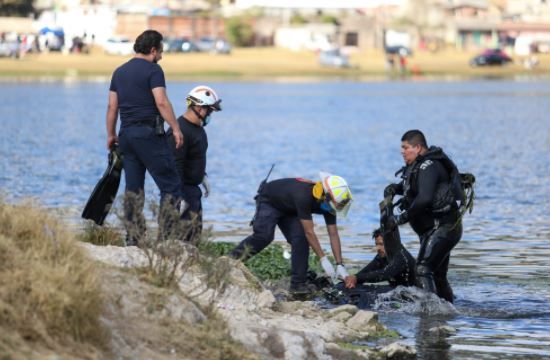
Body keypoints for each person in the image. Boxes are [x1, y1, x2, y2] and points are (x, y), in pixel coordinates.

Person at [106, 29, 184, 246]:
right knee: (171, 185)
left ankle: (133, 238)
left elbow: (112, 107)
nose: (161, 56)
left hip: (126, 136)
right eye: (161, 51)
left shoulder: (119, 71)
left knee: (133, 190)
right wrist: (176, 128)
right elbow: (161, 102)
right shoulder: (154, 70)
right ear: (152, 50)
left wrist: (111, 134)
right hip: (148, 134)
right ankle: (167, 240)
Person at [229, 173, 353, 295]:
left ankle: (297, 285)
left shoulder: (331, 206)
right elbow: (310, 232)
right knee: (264, 236)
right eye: (337, 205)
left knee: (300, 240)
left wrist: (339, 264)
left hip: (291, 208)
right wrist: (323, 259)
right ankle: (229, 261)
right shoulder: (304, 196)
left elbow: (333, 233)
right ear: (325, 196)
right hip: (269, 201)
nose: (337, 208)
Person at [383, 129, 464, 302]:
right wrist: (394, 189)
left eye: (406, 148)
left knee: (422, 270)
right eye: (402, 148)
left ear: (418, 147)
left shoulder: (429, 166)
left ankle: (430, 314)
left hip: (443, 228)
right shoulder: (419, 166)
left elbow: (424, 198)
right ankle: (448, 313)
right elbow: (414, 188)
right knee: (438, 275)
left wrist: (400, 218)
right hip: (438, 229)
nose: (402, 152)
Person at [167, 85, 222, 243]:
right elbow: (174, 166)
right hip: (181, 193)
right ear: (199, 107)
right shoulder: (179, 131)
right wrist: (179, 197)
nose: (210, 115)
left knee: (193, 240)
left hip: (193, 192)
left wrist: (202, 176)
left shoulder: (199, 130)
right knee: (178, 239)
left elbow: (195, 157)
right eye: (209, 111)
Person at [344, 228, 415, 289]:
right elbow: (366, 271)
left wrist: (357, 278)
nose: (378, 248)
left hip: (416, 294)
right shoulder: (382, 256)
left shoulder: (401, 256)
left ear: (391, 243)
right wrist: (352, 278)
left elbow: (386, 274)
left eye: (381, 244)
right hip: (398, 290)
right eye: (376, 244)